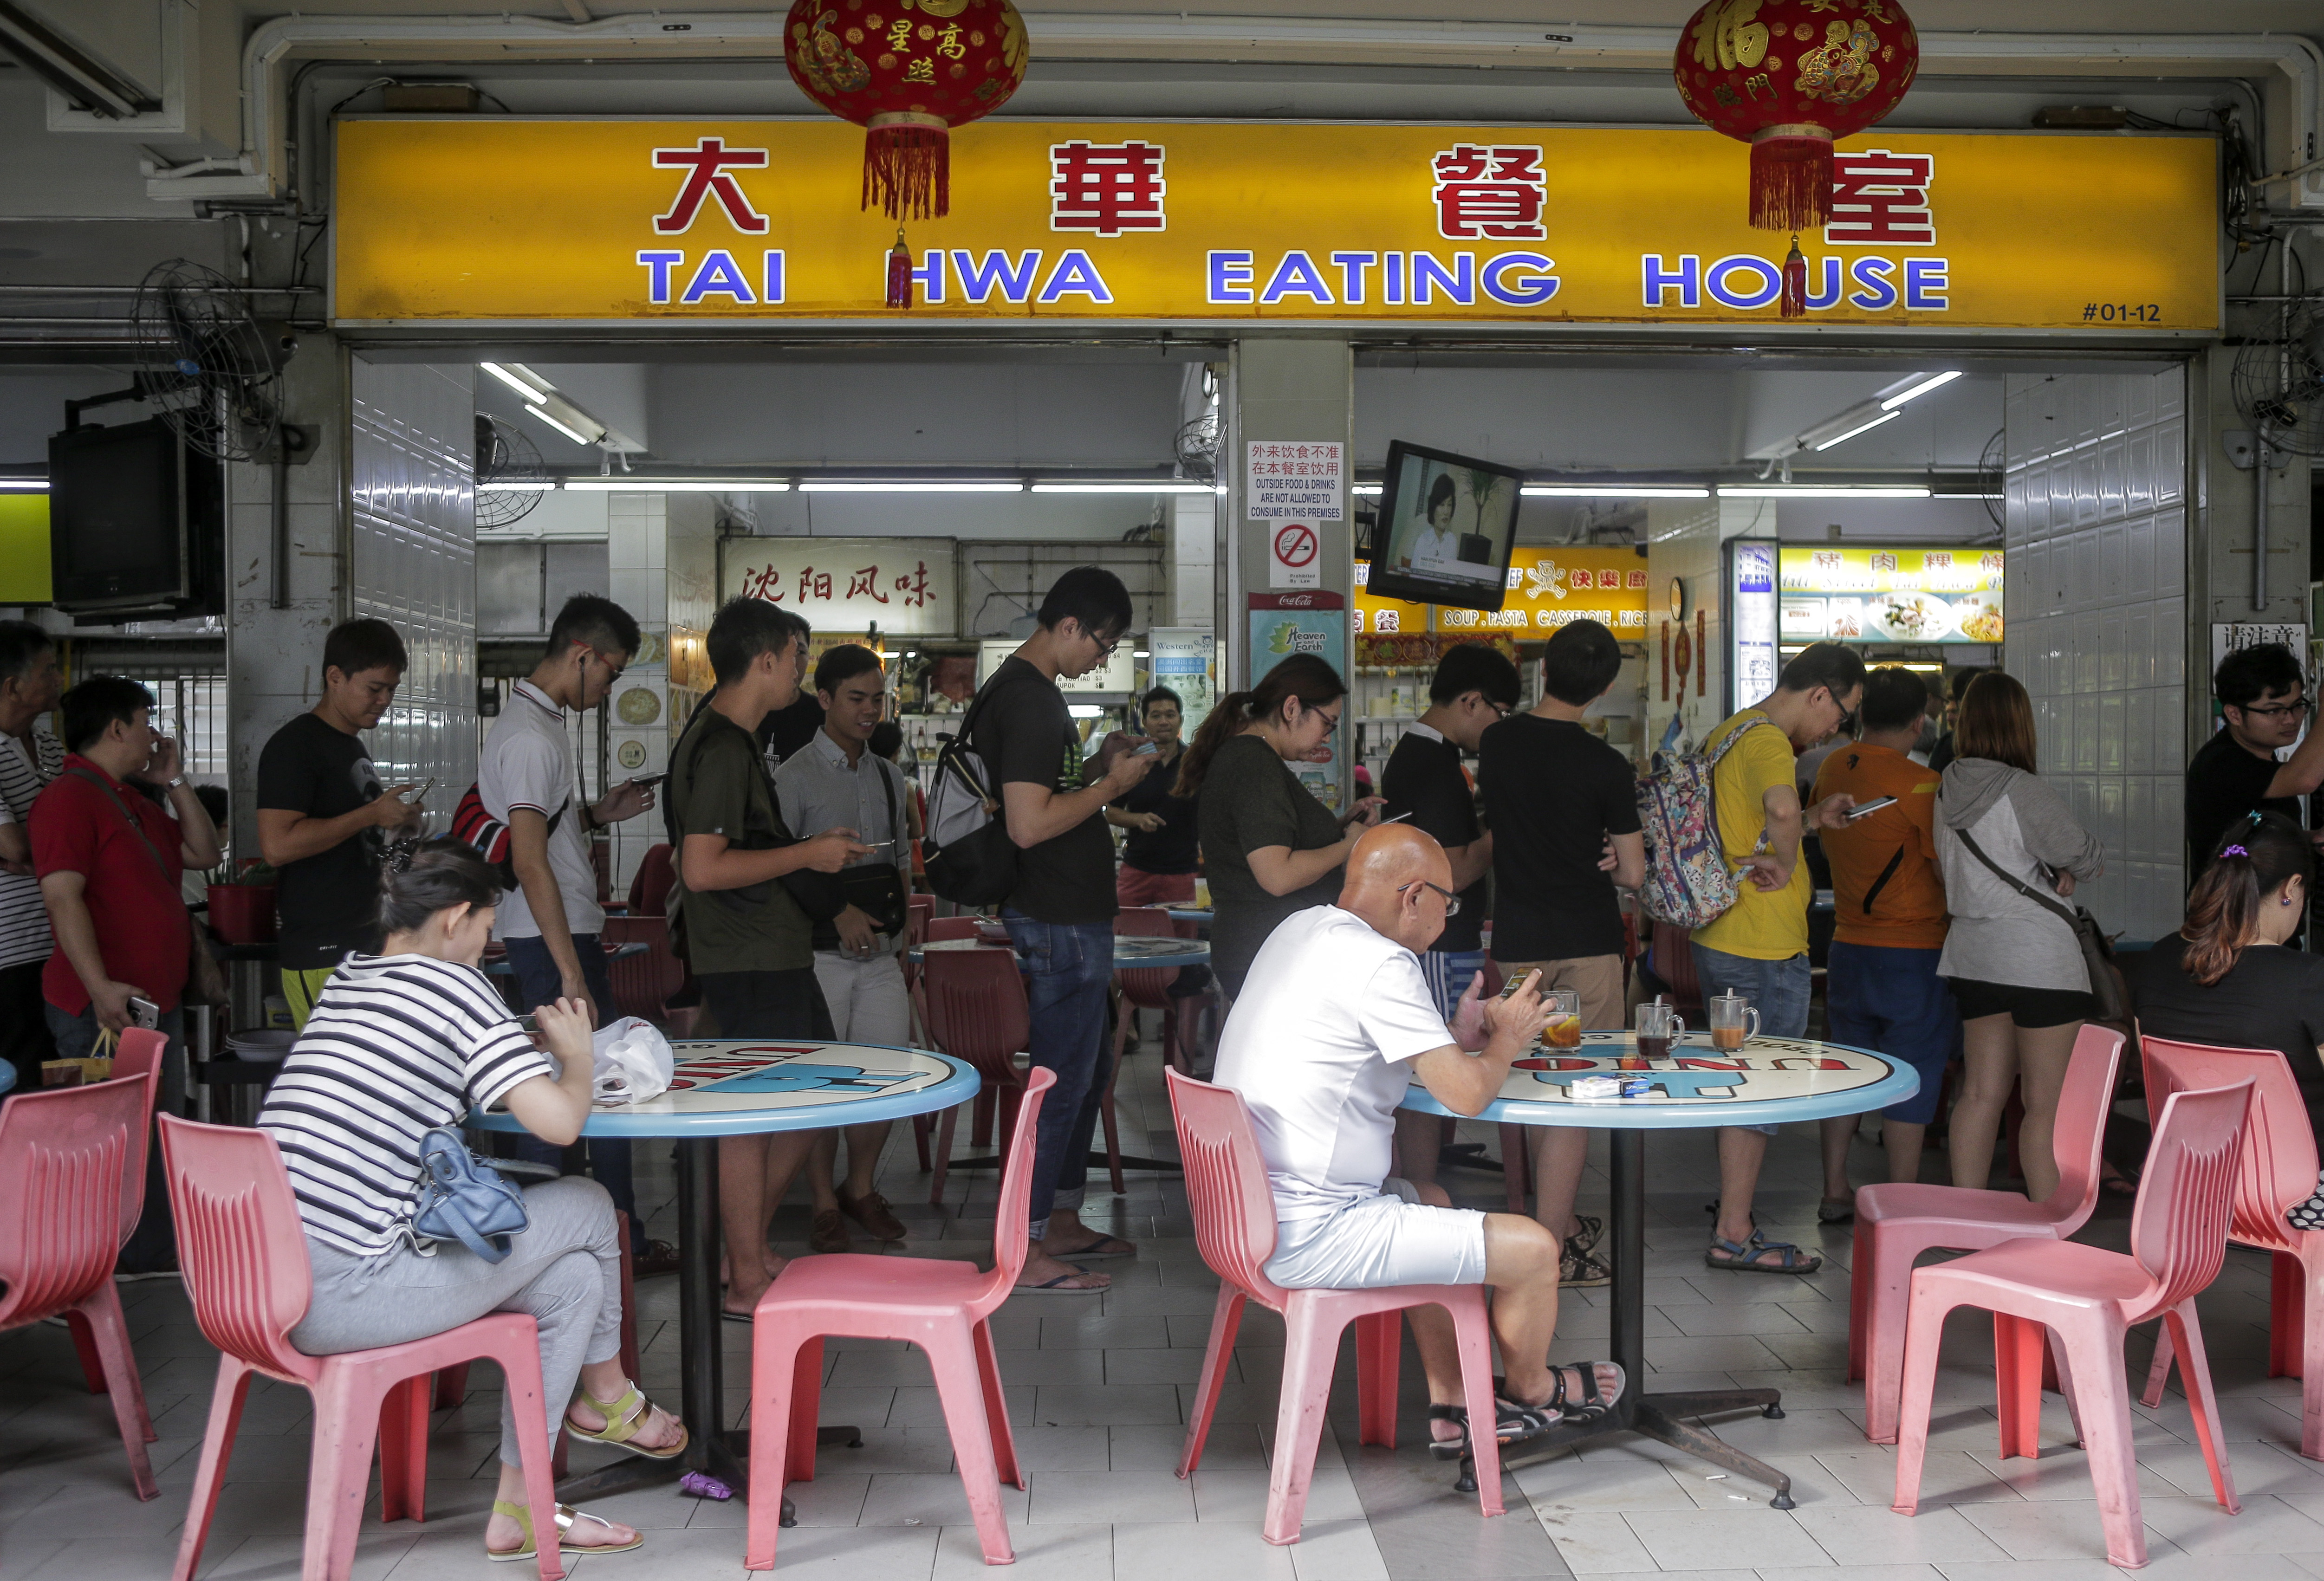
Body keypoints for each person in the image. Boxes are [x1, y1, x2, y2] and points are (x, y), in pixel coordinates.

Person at [257, 841, 684, 1564]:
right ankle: (609, 1397)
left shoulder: (350, 978)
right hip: (344, 1293)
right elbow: (559, 1123)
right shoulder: (455, 989)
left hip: (263, 1284)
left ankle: (521, 1507)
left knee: (572, 1279)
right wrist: (576, 1053)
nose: (490, 946)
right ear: (456, 919)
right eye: (488, 928)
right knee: (584, 1199)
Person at [1214, 823, 1624, 1451]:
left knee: (1429, 1196)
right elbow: (1465, 1096)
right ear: (1413, 897)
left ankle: (1456, 1406)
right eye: (1448, 901)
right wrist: (1507, 1040)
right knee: (1537, 1249)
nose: (1447, 917)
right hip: (1312, 1230)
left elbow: (1369, 1049)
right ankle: (1532, 1391)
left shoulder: (1298, 929)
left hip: (1240, 1219)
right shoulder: (1381, 961)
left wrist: (1456, 1044)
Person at [670, 598, 869, 1315]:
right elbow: (701, 867)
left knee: (793, 1104)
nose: (799, 671)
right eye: (795, 658)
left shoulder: (728, 738)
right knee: (768, 1111)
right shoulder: (722, 745)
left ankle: (745, 1255)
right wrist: (810, 852)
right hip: (749, 957)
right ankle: (746, 1268)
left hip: (764, 952)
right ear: (764, 659)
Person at [971, 566, 1157, 1293]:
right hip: (1056, 917)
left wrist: (1101, 768)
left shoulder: (1033, 698)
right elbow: (1027, 823)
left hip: (1070, 914)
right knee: (1056, 1082)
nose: (1102, 658)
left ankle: (1062, 1213)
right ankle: (1027, 1243)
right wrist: (1112, 788)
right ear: (1068, 626)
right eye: (1102, 643)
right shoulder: (1029, 702)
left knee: (1088, 1075)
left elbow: (1049, 798)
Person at [478, 594, 665, 1273]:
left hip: (556, 935)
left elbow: (544, 839)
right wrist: (572, 969)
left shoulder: (540, 724)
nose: (610, 686)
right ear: (581, 655)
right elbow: (527, 860)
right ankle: (573, 1248)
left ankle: (614, 1238)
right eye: (611, 672)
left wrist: (594, 815)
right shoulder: (530, 737)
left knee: (595, 1087)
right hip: (548, 942)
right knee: (583, 1093)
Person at [1475, 619, 1643, 1286]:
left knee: (1536, 1080)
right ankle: (1552, 1248)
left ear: (1542, 670)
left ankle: (1556, 1225)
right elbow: (1631, 873)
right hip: (1589, 942)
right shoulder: (1606, 765)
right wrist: (1608, 853)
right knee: (1579, 1087)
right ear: (1603, 687)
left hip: (1520, 944)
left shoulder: (1496, 741)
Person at [1690, 641, 1864, 1274]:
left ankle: (1733, 1213)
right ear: (1820, 692)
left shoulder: (1729, 731)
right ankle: (1734, 1231)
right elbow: (1777, 810)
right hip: (1761, 944)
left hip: (1723, 934)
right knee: (1759, 1087)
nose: (1834, 730)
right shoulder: (1767, 740)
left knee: (1741, 1081)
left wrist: (1813, 817)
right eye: (1841, 715)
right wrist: (1791, 856)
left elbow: (1756, 825)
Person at [1936, 671, 2106, 1199]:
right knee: (2043, 1104)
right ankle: (2045, 1228)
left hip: (1972, 957)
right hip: (2037, 962)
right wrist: (2061, 868)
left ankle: (1966, 1216)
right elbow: (2086, 855)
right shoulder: (2019, 788)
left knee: (1980, 1094)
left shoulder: (1943, 787)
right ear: (2020, 724)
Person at [775, 642, 915, 1255]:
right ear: (824, 699)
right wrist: (836, 908)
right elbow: (779, 866)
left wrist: (904, 938)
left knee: (884, 1074)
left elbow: (902, 860)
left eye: (877, 699)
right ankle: (824, 1201)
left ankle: (860, 1187)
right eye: (856, 699)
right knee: (822, 1082)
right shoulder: (793, 775)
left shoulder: (888, 774)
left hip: (881, 954)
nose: (869, 710)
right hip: (817, 955)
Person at [1811, 666, 1958, 1210]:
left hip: (1847, 945)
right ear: (1919, 722)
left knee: (1846, 1071)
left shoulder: (1831, 767)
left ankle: (1832, 1191)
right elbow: (1944, 873)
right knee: (1911, 1074)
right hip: (1913, 954)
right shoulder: (1922, 785)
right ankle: (1897, 1201)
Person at [33, 676, 222, 1092]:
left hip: (155, 1002)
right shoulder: (69, 798)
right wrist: (99, 988)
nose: (154, 736)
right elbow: (63, 899)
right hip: (103, 1009)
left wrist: (174, 781)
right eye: (146, 721)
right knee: (109, 1143)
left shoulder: (133, 801)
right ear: (118, 729)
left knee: (157, 1131)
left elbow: (205, 853)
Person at [255, 617, 426, 1026]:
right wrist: (371, 814)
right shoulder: (295, 747)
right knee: (342, 1082)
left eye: (391, 690)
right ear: (335, 677)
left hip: (363, 942)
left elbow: (357, 845)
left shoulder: (352, 747)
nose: (384, 700)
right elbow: (277, 847)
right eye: (374, 688)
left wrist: (398, 830)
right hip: (322, 951)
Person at [1182, 653, 1383, 1000]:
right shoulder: (1253, 764)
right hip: (1267, 954)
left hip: (1267, 950)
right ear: (1292, 709)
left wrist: (1340, 825)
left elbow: (1274, 842)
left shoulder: (1252, 759)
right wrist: (1350, 845)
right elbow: (1277, 875)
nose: (1327, 737)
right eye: (1328, 724)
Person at [2132, 813, 2324, 1153]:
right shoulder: (2309, 978)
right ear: (2292, 888)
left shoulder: (2160, 958)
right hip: (2302, 1195)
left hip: (2192, 1185)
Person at [2187, 642, 2324, 875]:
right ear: (2235, 714)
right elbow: (2304, 779)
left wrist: (2311, 839)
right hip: (2234, 909)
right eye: (2273, 710)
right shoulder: (2221, 763)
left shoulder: (2265, 762)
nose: (2290, 719)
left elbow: (2259, 835)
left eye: (2297, 706)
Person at [0, 620, 63, 1095]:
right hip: (10, 950)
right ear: (12, 685)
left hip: (60, 941)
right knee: (19, 1079)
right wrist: (59, 846)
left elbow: (85, 828)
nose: (58, 678)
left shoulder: (48, 745)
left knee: (53, 1075)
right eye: (48, 670)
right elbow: (15, 848)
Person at [1108, 686, 1201, 907]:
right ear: (1144, 722)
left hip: (1184, 875)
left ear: (1181, 719)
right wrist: (1137, 820)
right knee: (1127, 938)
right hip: (1137, 872)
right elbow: (1109, 812)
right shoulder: (1131, 762)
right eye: (1156, 715)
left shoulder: (1196, 764)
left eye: (1170, 715)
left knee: (1183, 941)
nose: (1164, 722)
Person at [1402, 473, 1461, 569]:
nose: (1446, 512)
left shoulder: (1453, 541)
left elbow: (1452, 579)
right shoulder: (1422, 541)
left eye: (1449, 505)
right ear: (1434, 507)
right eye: (1442, 505)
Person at [1926, 668, 1978, 773]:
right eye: (1948, 712)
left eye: (1955, 712)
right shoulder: (2002, 746)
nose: (1949, 718)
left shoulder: (1948, 746)